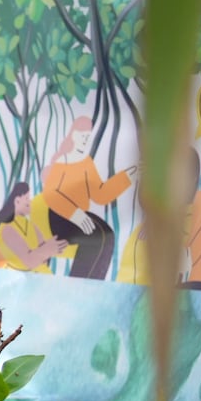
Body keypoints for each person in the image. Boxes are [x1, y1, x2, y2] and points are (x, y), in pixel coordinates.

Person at [41, 116, 137, 279]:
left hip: (80, 215)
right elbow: (52, 195)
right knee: (96, 237)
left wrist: (126, 177)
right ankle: (79, 280)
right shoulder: (61, 161)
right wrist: (74, 214)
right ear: (73, 135)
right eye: (82, 136)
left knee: (107, 235)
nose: (85, 141)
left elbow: (101, 195)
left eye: (88, 137)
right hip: (60, 217)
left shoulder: (86, 163)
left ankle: (91, 281)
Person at [0, 181, 69, 272]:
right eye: (27, 198)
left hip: (42, 276)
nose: (30, 201)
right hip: (22, 279)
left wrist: (50, 248)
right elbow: (26, 262)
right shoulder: (6, 228)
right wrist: (46, 250)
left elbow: (43, 253)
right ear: (17, 201)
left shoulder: (30, 224)